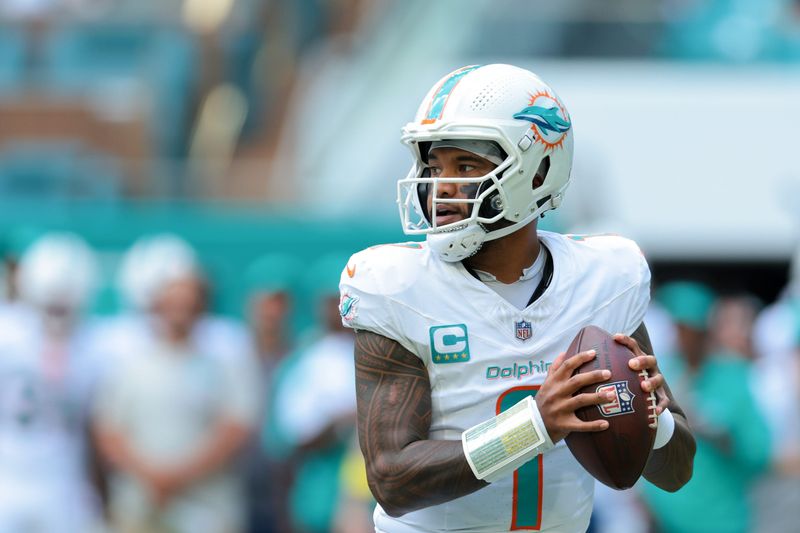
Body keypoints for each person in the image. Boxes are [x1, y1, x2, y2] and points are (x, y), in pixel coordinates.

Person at [338, 63, 696, 533]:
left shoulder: (605, 280)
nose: (440, 185)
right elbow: (391, 478)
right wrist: (534, 426)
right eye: (433, 165)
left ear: (537, 169)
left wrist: (649, 417)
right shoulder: (398, 286)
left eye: (464, 165)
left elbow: (676, 472)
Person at [93, 235, 261, 533]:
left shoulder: (224, 361)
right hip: (141, 506)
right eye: (173, 301)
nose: (180, 310)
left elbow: (236, 428)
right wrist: (151, 477)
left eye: (188, 301)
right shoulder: (129, 365)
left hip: (206, 507)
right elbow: (108, 431)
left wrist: (177, 476)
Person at [639, 283, 771, 533]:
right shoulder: (663, 372)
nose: (682, 337)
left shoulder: (732, 376)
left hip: (719, 520)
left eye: (689, 329)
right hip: (662, 521)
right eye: (677, 328)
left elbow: (759, 452)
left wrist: (720, 434)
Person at [0, 232, 106, 532]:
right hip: (8, 477)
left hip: (64, 483)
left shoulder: (99, 343)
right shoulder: (7, 331)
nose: (58, 313)